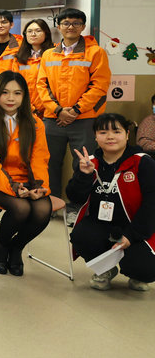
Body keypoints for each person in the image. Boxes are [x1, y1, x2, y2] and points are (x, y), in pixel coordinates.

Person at [0, 71, 52, 276]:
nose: (11, 98)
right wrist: (14, 188)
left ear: (24, 96)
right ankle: (1, 246)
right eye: (5, 92)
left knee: (43, 210)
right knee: (21, 208)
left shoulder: (35, 123)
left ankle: (16, 248)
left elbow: (39, 158)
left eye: (17, 93)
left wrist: (39, 187)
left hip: (27, 180)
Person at [37, 7, 111, 223]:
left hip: (84, 119)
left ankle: (78, 208)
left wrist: (75, 110)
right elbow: (42, 85)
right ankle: (49, 203)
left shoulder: (96, 53)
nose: (71, 27)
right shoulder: (48, 54)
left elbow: (99, 86)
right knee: (48, 162)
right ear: (58, 27)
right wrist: (58, 110)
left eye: (76, 23)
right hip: (53, 118)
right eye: (66, 23)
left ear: (83, 26)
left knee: (83, 164)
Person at [69, 113, 155, 292]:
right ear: (95, 136)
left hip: (137, 227)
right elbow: (75, 198)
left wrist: (131, 235)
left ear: (127, 134)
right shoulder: (89, 162)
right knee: (80, 236)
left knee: (145, 268)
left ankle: (136, 274)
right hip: (102, 225)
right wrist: (84, 175)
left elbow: (151, 205)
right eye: (103, 132)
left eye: (116, 131)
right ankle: (105, 269)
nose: (110, 137)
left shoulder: (143, 162)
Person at [15, 18, 55, 115]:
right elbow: (15, 85)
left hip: (50, 110)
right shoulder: (19, 58)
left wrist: (51, 107)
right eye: (29, 31)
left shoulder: (54, 54)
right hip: (25, 109)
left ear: (46, 34)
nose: (33, 34)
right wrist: (30, 108)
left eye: (38, 31)